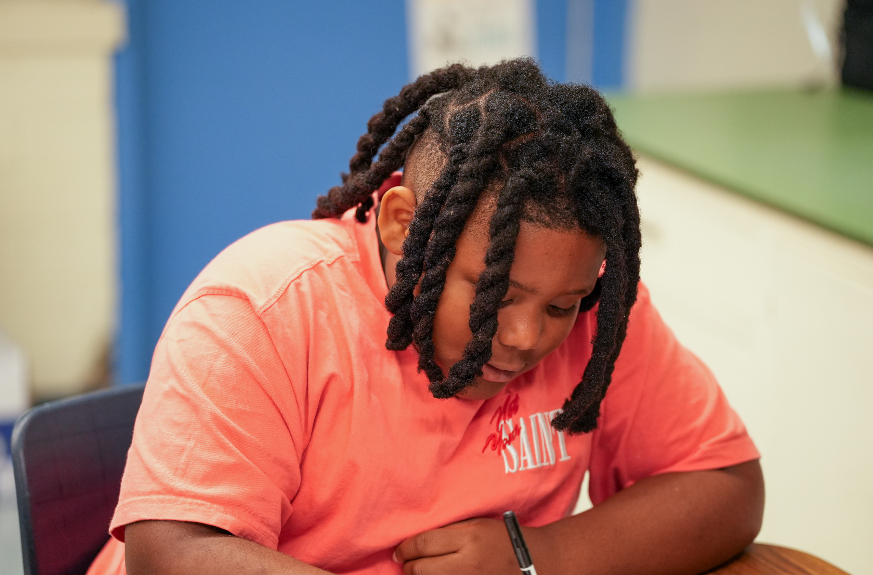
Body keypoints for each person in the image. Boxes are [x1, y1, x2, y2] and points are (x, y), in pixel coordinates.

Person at [88, 58, 763, 575]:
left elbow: (728, 486)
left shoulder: (594, 310)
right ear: (403, 226)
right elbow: (170, 549)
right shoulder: (264, 305)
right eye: (494, 293)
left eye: (559, 305)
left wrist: (535, 554)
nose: (527, 335)